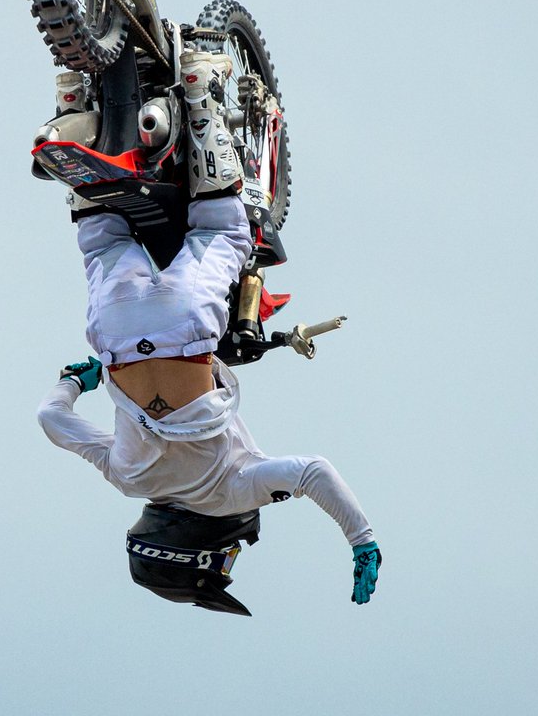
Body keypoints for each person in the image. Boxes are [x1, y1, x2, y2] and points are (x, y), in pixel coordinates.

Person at [35, 50, 381, 615]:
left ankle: (197, 97)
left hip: (186, 324)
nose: (233, 555)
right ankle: (72, 101)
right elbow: (51, 420)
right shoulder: (125, 476)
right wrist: (80, 379)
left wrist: (361, 538)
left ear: (191, 553)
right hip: (115, 333)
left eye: (223, 564)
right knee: (100, 234)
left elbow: (314, 472)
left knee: (225, 227)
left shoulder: (230, 493)